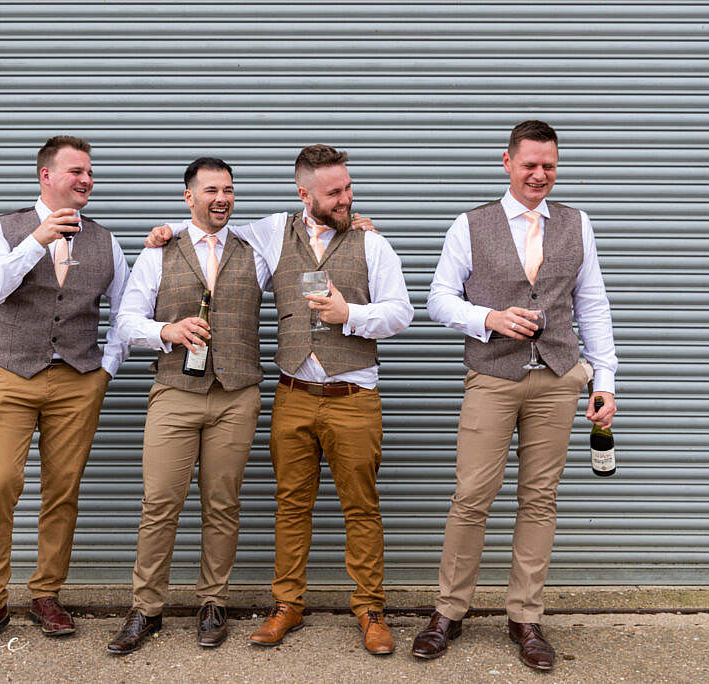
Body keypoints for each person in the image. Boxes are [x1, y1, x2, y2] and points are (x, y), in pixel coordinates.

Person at [146, 144, 412, 655]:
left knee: (361, 507)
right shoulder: (269, 232)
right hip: (292, 394)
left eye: (349, 188)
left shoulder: (372, 242)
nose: (346, 198)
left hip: (354, 394)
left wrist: (349, 314)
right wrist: (164, 234)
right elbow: (209, 236)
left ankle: (370, 609)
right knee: (291, 506)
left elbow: (400, 313)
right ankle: (287, 604)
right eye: (334, 192)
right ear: (303, 193)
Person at [412, 120, 618, 670]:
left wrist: (604, 381)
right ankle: (448, 612)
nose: (539, 175)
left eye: (549, 165)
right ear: (507, 163)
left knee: (540, 498)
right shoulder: (471, 223)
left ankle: (525, 617)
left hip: (557, 377)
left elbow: (592, 306)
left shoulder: (577, 224)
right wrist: (489, 318)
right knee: (471, 497)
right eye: (529, 164)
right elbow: (437, 299)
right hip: (492, 377)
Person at [0, 135, 130, 660]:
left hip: (77, 379)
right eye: (76, 171)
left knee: (62, 490)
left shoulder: (106, 241)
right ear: (46, 175)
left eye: (90, 172)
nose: (86, 180)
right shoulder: (5, 228)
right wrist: (37, 241)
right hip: (9, 374)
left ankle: (46, 593)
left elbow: (125, 312)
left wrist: (104, 370)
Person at [106, 158, 271, 655]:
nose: (221, 198)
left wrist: (360, 226)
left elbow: (309, 230)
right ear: (188, 196)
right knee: (159, 504)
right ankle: (146, 608)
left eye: (228, 189)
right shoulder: (159, 252)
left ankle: (212, 603)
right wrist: (167, 331)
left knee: (223, 504)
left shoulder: (256, 249)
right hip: (175, 394)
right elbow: (125, 320)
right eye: (210, 190)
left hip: (237, 393)